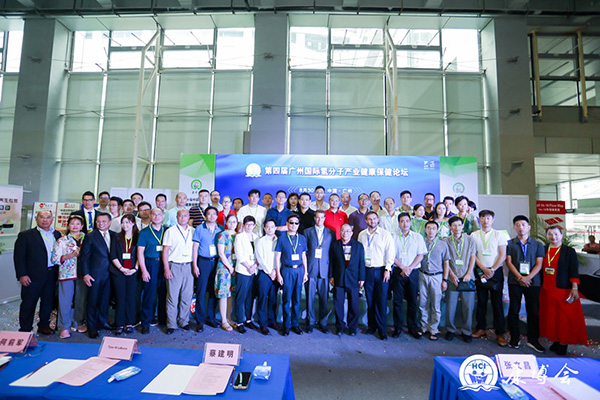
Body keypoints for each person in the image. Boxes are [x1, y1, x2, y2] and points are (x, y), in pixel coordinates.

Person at [540, 226, 588, 355]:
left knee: (564, 318)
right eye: (550, 234)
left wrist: (574, 287)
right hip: (546, 289)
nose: (553, 237)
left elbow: (574, 270)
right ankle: (556, 339)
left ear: (561, 235)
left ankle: (563, 342)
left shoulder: (569, 251)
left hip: (563, 290)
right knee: (552, 317)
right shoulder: (543, 249)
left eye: (556, 234)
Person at [14, 211, 62, 334]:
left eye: (48, 217)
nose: (45, 220)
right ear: (36, 219)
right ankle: (25, 328)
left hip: (51, 274)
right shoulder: (26, 235)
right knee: (29, 303)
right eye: (42, 217)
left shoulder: (57, 234)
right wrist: (22, 274)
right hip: (32, 275)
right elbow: (19, 257)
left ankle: (43, 325)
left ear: (52, 219)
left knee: (47, 302)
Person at [505, 215, 545, 352]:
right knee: (513, 310)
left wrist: (528, 277)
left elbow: (539, 263)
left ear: (529, 227)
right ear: (514, 227)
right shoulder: (510, 244)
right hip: (515, 281)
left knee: (533, 311)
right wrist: (520, 277)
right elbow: (509, 262)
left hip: (533, 282)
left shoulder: (538, 245)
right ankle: (514, 338)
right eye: (517, 225)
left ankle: (533, 339)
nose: (520, 227)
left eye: (523, 224)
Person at [471, 209, 507, 346]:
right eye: (482, 218)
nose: (485, 220)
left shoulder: (500, 235)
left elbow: (502, 255)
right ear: (479, 219)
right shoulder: (474, 235)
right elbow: (473, 255)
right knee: (481, 301)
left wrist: (492, 269)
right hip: (480, 271)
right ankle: (481, 328)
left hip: (496, 272)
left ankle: (500, 333)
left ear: (493, 220)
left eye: (488, 218)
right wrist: (483, 269)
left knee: (497, 303)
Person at [358, 211, 395, 340]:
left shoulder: (385, 234)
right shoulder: (362, 234)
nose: (372, 221)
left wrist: (388, 269)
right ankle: (371, 326)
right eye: (369, 219)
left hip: (381, 271)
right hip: (367, 270)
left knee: (381, 300)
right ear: (366, 221)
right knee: (370, 300)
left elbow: (390, 253)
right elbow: (360, 254)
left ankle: (382, 329)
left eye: (374, 219)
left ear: (378, 220)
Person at [81, 212, 116, 338]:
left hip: (110, 274)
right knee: (92, 301)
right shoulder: (90, 236)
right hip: (95, 274)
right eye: (98, 221)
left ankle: (103, 322)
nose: (101, 224)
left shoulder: (114, 235)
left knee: (105, 300)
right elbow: (84, 257)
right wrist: (86, 274)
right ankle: (92, 327)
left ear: (109, 222)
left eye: (104, 221)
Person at [391, 212, 426, 339]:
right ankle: (398, 328)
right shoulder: (393, 236)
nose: (405, 224)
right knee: (397, 301)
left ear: (410, 222)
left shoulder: (418, 237)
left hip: (413, 272)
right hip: (398, 271)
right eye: (402, 221)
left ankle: (412, 327)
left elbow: (421, 255)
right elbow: (391, 255)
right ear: (398, 223)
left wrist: (409, 268)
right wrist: (402, 267)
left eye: (407, 221)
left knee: (412, 301)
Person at [444, 216, 477, 342]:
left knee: (468, 306)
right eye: (454, 225)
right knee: (450, 306)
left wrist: (469, 273)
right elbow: (446, 261)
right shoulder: (446, 241)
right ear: (450, 227)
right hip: (452, 278)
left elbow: (473, 257)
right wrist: (452, 275)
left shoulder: (470, 240)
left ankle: (466, 331)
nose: (457, 227)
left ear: (462, 226)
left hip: (467, 278)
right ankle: (450, 330)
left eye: (459, 225)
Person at [52, 215, 85, 339]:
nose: (75, 226)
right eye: (72, 224)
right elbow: (55, 259)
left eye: (78, 224)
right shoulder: (62, 240)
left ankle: (79, 322)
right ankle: (64, 327)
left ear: (82, 226)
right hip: (67, 274)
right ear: (68, 226)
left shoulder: (87, 238)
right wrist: (71, 255)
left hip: (83, 274)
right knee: (65, 302)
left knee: (81, 300)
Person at [275, 214, 308, 336]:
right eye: (291, 222)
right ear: (287, 224)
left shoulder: (302, 238)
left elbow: (304, 256)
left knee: (297, 299)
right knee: (286, 299)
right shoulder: (282, 238)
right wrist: (278, 274)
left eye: (296, 223)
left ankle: (295, 324)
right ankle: (286, 325)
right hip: (287, 271)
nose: (293, 225)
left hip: (299, 271)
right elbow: (277, 257)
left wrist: (306, 272)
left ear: (298, 225)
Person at [329, 223, 365, 336]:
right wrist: (331, 276)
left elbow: (361, 263)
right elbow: (331, 262)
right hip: (339, 278)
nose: (345, 233)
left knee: (353, 304)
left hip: (353, 279)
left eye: (348, 231)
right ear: (340, 232)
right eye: (343, 231)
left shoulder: (358, 246)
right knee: (338, 304)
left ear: (352, 233)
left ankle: (352, 327)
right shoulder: (335, 245)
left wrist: (362, 278)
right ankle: (340, 326)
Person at [162, 209, 194, 334]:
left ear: (189, 217)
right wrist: (166, 268)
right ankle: (171, 324)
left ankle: (184, 321)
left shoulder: (193, 231)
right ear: (177, 217)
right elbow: (165, 251)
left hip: (188, 266)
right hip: (174, 265)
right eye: (180, 216)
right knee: (172, 297)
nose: (183, 218)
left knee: (187, 295)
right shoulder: (170, 231)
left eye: (185, 216)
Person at [192, 206, 223, 331]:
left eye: (214, 214)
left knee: (213, 290)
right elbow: (195, 247)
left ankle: (211, 318)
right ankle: (200, 320)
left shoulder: (221, 229)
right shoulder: (199, 228)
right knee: (201, 290)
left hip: (216, 262)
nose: (212, 216)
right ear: (205, 216)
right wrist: (195, 265)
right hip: (203, 262)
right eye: (209, 214)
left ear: (217, 215)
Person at [418, 221, 450, 341]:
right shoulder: (421, 242)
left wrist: (445, 280)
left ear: (437, 231)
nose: (431, 231)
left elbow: (446, 262)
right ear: (425, 230)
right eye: (428, 228)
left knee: (436, 304)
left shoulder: (443, 244)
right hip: (422, 274)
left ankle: (434, 329)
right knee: (423, 302)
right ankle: (424, 326)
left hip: (437, 276)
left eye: (433, 228)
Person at [137, 208, 167, 334]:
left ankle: (163, 320)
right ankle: (145, 322)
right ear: (150, 216)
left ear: (163, 216)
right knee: (149, 294)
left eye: (159, 214)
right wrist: (144, 270)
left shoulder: (167, 230)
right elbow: (140, 253)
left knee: (164, 293)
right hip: (150, 263)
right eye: (154, 214)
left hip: (165, 264)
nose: (156, 217)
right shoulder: (144, 232)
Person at [304, 210, 334, 333]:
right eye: (317, 217)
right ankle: (310, 322)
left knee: (324, 298)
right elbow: (305, 252)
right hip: (311, 268)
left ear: (325, 218)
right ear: (314, 218)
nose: (319, 220)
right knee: (309, 297)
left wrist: (331, 273)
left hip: (324, 269)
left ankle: (323, 322)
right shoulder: (307, 232)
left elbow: (332, 253)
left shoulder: (331, 232)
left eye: (322, 217)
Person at [110, 213, 139, 335]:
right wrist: (122, 268)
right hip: (119, 272)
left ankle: (129, 323)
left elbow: (140, 254)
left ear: (133, 223)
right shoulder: (116, 237)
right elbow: (113, 255)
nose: (125, 225)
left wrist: (135, 268)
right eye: (123, 222)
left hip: (134, 272)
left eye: (127, 222)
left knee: (131, 298)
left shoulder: (138, 236)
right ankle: (120, 323)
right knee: (120, 298)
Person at [234, 215, 259, 333]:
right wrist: (248, 266)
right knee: (241, 296)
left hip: (254, 270)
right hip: (243, 270)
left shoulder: (257, 237)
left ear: (254, 226)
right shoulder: (239, 237)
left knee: (250, 297)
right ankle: (239, 321)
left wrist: (254, 266)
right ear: (243, 225)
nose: (249, 226)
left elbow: (259, 254)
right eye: (247, 224)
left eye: (252, 224)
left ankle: (248, 320)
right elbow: (239, 254)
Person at [255, 218, 280, 335]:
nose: (270, 229)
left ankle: (272, 320)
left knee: (273, 298)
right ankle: (263, 323)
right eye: (267, 227)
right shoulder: (260, 241)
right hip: (264, 273)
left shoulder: (279, 240)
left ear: (275, 228)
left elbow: (280, 257)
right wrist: (269, 271)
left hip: (276, 273)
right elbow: (259, 258)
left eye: (272, 226)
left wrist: (275, 271)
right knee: (262, 298)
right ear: (264, 228)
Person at [215, 214, 238, 332]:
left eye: (234, 222)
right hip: (225, 267)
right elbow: (221, 253)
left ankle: (229, 318)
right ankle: (223, 320)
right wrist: (230, 267)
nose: (232, 224)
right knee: (224, 294)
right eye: (229, 222)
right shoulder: (222, 235)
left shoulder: (239, 235)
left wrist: (234, 268)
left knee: (231, 294)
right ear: (226, 222)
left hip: (236, 267)